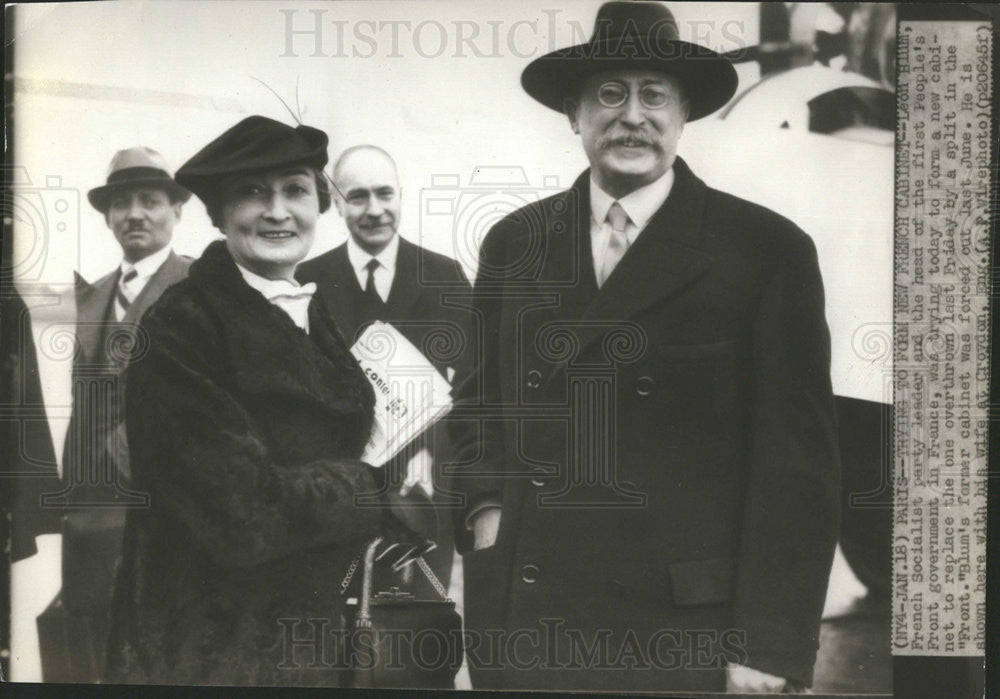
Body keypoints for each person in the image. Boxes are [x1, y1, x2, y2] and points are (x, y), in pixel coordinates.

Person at [451, 2, 840, 694]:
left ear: (684, 113)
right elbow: (478, 401)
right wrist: (486, 517)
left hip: (685, 633)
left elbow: (797, 466)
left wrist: (768, 643)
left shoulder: (765, 251)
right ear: (573, 113)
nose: (632, 114)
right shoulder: (515, 243)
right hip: (528, 616)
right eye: (609, 93)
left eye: (654, 94)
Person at [104, 116, 422, 686]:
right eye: (252, 192)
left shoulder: (304, 310)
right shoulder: (183, 323)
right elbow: (241, 515)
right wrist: (372, 491)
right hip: (211, 647)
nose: (278, 211)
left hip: (309, 636)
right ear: (219, 213)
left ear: (319, 205)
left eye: (295, 190)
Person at [34, 147, 192, 683]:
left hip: (168, 518)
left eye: (151, 200)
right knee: (87, 659)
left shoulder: (201, 289)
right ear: (107, 217)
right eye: (122, 203)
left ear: (177, 210)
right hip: (90, 521)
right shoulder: (90, 296)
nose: (136, 214)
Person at [297, 145, 476, 598]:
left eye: (385, 194)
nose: (375, 210)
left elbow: (475, 385)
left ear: (401, 195)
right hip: (334, 491)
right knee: (334, 625)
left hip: (423, 492)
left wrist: (433, 453)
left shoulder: (443, 274)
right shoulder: (306, 281)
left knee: (418, 631)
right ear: (336, 202)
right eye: (358, 197)